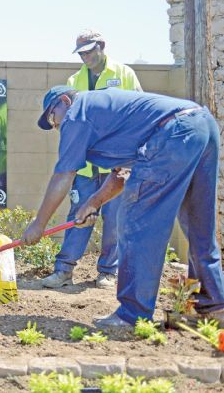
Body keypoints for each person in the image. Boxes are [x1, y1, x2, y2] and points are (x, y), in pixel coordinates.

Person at [22, 85, 224, 328]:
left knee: (135, 224)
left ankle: (132, 315)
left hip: (172, 134)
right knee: (197, 226)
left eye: (52, 118)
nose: (56, 127)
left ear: (64, 101)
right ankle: (213, 307)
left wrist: (39, 224)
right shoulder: (107, 114)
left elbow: (64, 174)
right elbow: (120, 174)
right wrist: (93, 202)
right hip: (201, 125)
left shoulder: (77, 115)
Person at [41, 29, 143, 290]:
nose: (85, 56)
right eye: (81, 53)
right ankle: (64, 270)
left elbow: (138, 113)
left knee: (114, 216)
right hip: (86, 166)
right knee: (78, 213)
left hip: (117, 163)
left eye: (89, 50)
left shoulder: (123, 74)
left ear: (102, 46)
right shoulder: (74, 80)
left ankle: (107, 272)